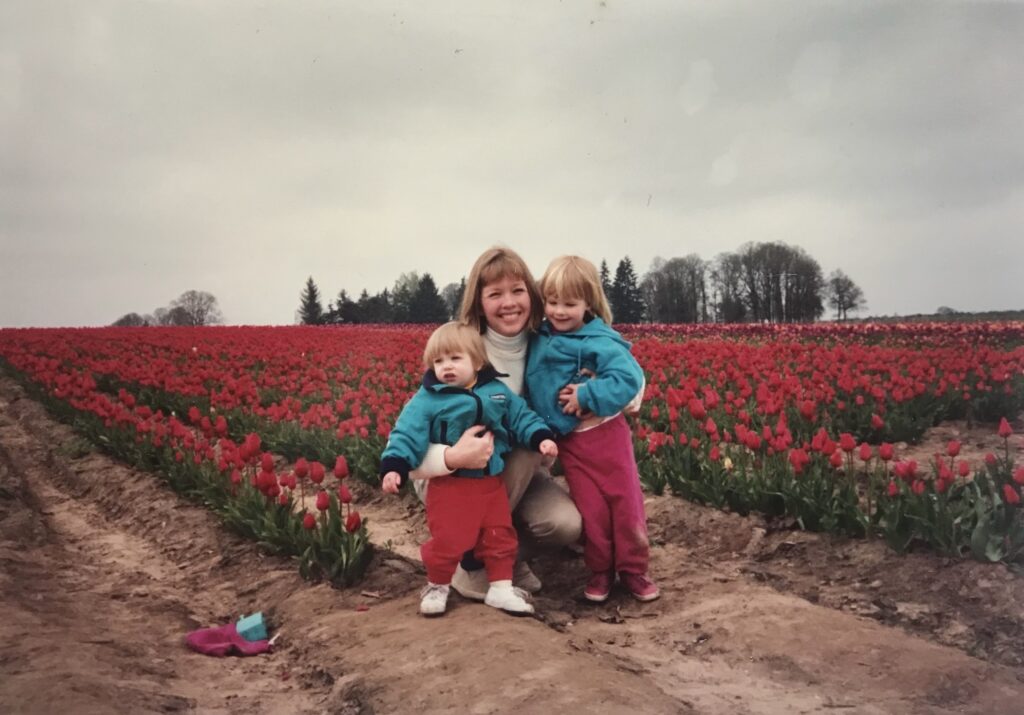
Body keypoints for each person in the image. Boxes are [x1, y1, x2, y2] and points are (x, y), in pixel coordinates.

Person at [408, 247, 583, 601]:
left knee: (564, 524)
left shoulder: (547, 345)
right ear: (478, 301)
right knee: (522, 443)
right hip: (452, 477)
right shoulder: (462, 350)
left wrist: (601, 390)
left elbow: (611, 360)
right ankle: (472, 566)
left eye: (517, 290)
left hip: (514, 472)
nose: (509, 303)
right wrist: (452, 458)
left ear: (531, 296)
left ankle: (504, 557)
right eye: (495, 294)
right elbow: (410, 441)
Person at [381, 322, 559, 617]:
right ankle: (438, 585)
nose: (446, 367)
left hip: (491, 483)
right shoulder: (427, 399)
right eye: (438, 361)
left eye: (455, 358)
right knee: (450, 539)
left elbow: (521, 416)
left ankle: (501, 589)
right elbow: (406, 433)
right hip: (451, 486)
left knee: (499, 535)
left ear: (477, 361)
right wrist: (394, 466)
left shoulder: (497, 392)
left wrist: (541, 437)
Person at [525, 255, 659, 602]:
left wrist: (589, 393)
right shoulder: (539, 337)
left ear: (589, 303)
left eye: (570, 303)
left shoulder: (600, 340)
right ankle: (600, 571)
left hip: (607, 437)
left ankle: (633, 570)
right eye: (552, 302)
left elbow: (629, 379)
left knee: (625, 504)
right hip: (571, 444)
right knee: (591, 511)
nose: (559, 311)